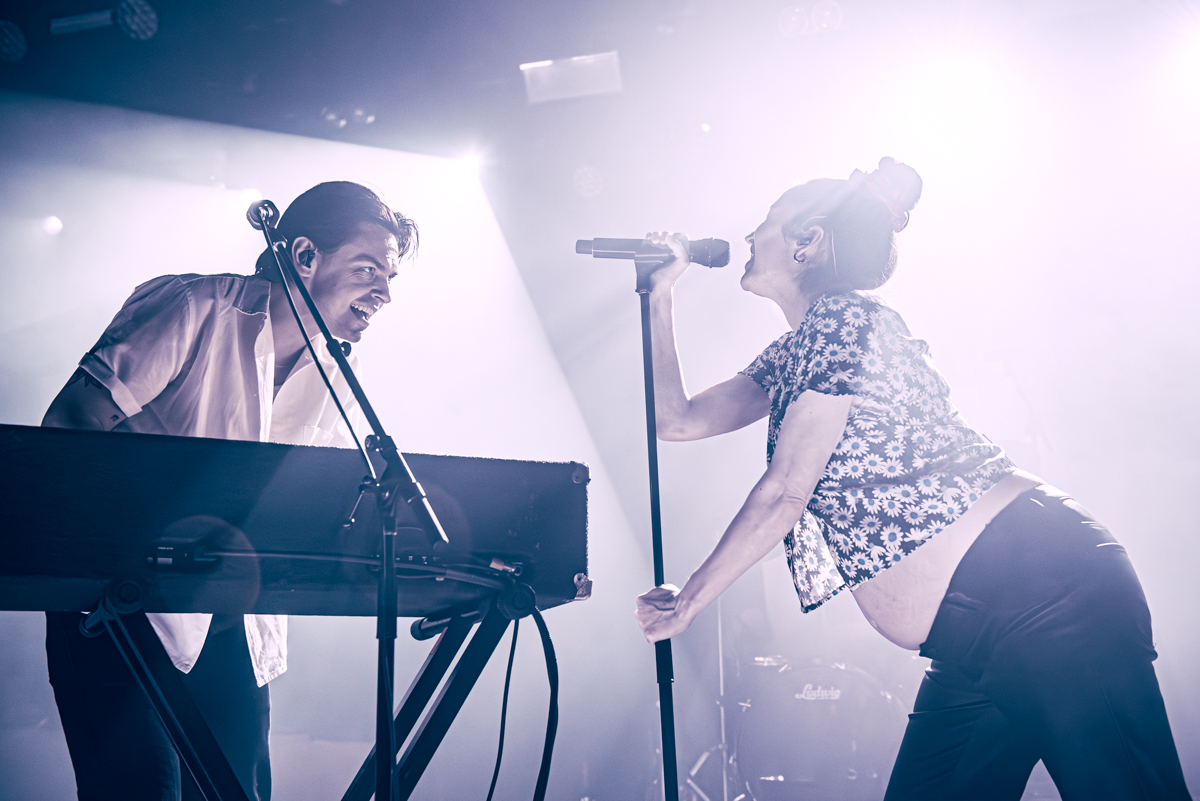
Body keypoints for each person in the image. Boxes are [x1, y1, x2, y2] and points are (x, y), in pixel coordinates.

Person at [633, 159, 1191, 800]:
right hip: (969, 645)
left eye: (765, 223)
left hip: (1049, 600)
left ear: (808, 241)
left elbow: (787, 489)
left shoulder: (844, 321)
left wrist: (689, 602)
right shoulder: (797, 350)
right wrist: (659, 293)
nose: (749, 236)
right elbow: (676, 420)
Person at [40, 181, 416, 801]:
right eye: (367, 269)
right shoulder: (196, 306)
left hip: (235, 619)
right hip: (121, 606)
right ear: (304, 256)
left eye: (390, 278)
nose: (383, 292)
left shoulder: (339, 372)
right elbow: (70, 424)